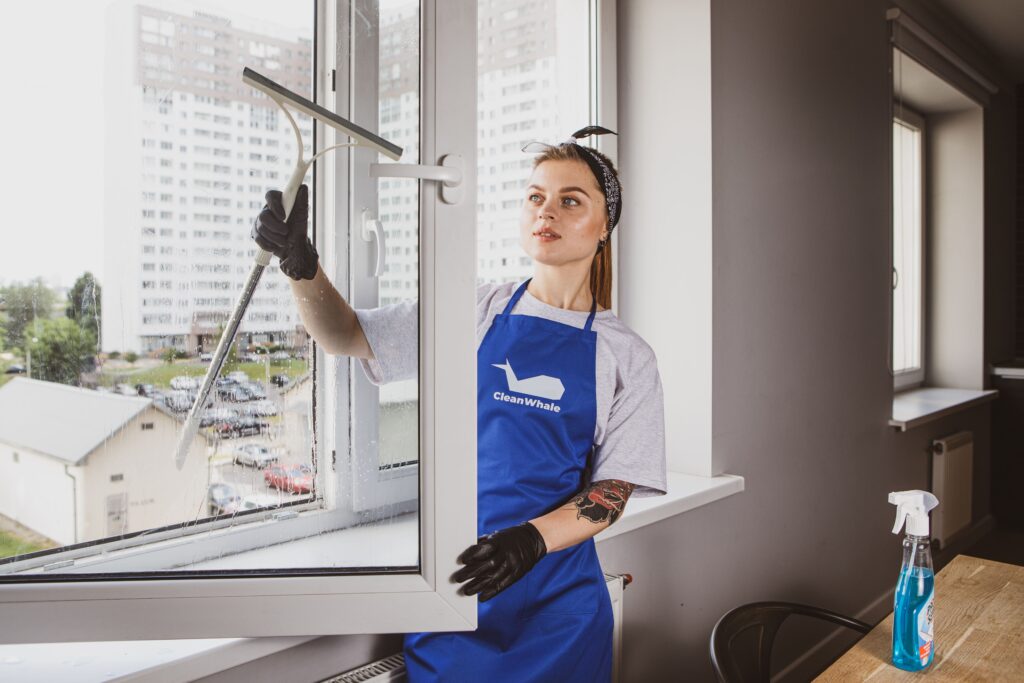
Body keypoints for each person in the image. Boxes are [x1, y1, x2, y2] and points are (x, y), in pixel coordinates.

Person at [252, 125, 667, 682]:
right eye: (536, 197)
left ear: (604, 229)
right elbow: (345, 335)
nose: (547, 212)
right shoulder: (475, 310)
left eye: (571, 201)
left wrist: (531, 539)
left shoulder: (626, 355)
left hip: (560, 612)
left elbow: (612, 491)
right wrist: (301, 266)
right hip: (456, 596)